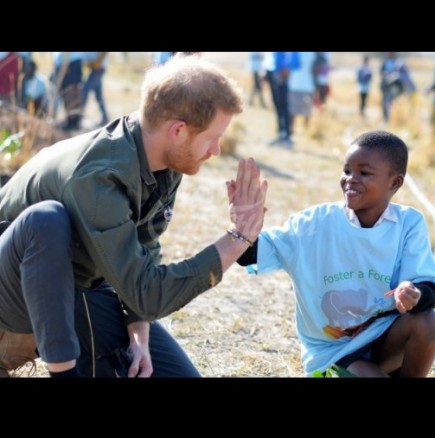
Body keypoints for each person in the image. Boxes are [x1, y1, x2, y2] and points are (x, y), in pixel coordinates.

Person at [0, 54, 268, 378]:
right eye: (212, 138)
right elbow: (148, 294)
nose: (216, 151)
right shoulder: (100, 176)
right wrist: (237, 238)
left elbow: (144, 258)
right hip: (17, 306)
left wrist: (138, 336)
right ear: (178, 131)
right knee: (48, 219)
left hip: (81, 287)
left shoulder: (163, 161)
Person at [236, 130, 435, 377]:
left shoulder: (408, 223)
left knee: (429, 321)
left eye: (364, 173)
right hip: (333, 351)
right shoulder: (312, 224)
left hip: (385, 338)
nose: (350, 179)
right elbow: (252, 254)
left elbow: (427, 286)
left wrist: (414, 294)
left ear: (394, 183)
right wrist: (243, 230)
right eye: (347, 170)